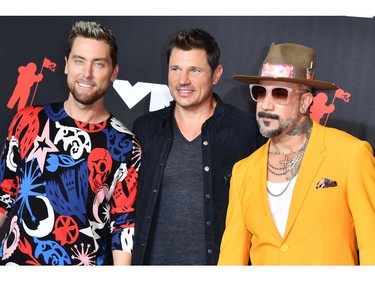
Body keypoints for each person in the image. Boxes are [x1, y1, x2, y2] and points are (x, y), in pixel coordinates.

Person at [218, 42, 375, 265]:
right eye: (261, 92)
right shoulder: (243, 171)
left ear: (305, 102)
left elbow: (372, 246)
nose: (266, 105)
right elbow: (232, 257)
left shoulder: (351, 154)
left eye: (280, 93)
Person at [0, 21, 141, 265]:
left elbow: (123, 227)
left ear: (114, 72)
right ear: (66, 65)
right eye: (79, 60)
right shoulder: (28, 119)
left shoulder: (127, 145)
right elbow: (3, 194)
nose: (87, 73)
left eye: (99, 64)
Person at [131, 28, 265, 265]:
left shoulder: (247, 131)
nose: (183, 80)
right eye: (176, 69)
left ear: (216, 74)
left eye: (194, 70)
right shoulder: (145, 129)